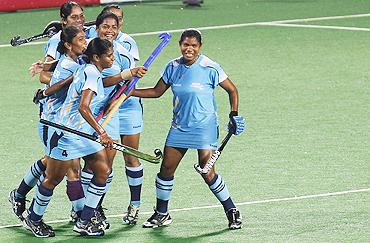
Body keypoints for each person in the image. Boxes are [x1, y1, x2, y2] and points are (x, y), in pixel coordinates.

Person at [131, 29, 245, 230]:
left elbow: (232, 90)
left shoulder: (210, 67)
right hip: (180, 127)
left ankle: (231, 210)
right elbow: (157, 92)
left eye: (193, 45)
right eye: (185, 44)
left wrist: (233, 114)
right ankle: (161, 213)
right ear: (180, 45)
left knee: (207, 171)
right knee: (166, 169)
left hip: (205, 127)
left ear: (200, 47)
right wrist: (131, 92)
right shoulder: (172, 67)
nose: (189, 49)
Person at [8, 1, 91, 223]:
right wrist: (70, 77)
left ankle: (19, 194)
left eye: (82, 16)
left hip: (70, 115)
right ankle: (80, 213)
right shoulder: (57, 42)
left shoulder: (84, 36)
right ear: (64, 20)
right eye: (74, 18)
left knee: (52, 162)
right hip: (56, 115)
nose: (80, 21)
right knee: (70, 168)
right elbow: (46, 78)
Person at [86, 6, 144, 225]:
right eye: (106, 25)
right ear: (97, 26)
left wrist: (120, 94)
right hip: (99, 110)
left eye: (115, 25)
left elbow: (130, 84)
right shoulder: (90, 46)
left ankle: (134, 205)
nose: (110, 29)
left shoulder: (125, 47)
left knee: (130, 156)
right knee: (98, 162)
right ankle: (92, 207)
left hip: (125, 107)